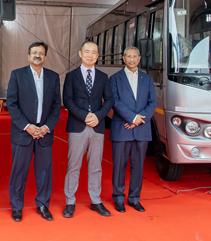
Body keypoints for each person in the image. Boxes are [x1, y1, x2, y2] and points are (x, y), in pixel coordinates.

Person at [5, 41, 62, 222]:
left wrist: (46, 127)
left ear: (45, 57)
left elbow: (57, 106)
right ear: (28, 56)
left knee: (44, 172)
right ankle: (16, 207)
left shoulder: (53, 77)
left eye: (41, 53)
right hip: (23, 133)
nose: (38, 55)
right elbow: (11, 104)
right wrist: (26, 126)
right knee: (19, 172)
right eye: (34, 52)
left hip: (44, 133)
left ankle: (43, 205)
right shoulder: (17, 75)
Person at [62, 40, 114, 218]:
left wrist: (98, 116)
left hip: (97, 126)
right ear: (80, 54)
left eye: (94, 52)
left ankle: (95, 200)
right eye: (87, 52)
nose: (90, 55)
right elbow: (67, 100)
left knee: (96, 166)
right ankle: (70, 201)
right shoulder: (71, 76)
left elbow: (109, 100)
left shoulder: (103, 77)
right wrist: (84, 116)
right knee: (74, 165)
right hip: (78, 125)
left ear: (98, 56)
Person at [109, 46, 157, 212]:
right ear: (123, 58)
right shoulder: (115, 78)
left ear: (139, 58)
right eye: (128, 56)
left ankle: (134, 198)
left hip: (141, 130)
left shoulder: (147, 79)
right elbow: (114, 101)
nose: (131, 59)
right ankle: (118, 198)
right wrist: (132, 118)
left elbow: (153, 102)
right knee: (119, 166)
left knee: (138, 166)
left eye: (134, 57)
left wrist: (138, 120)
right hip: (121, 128)